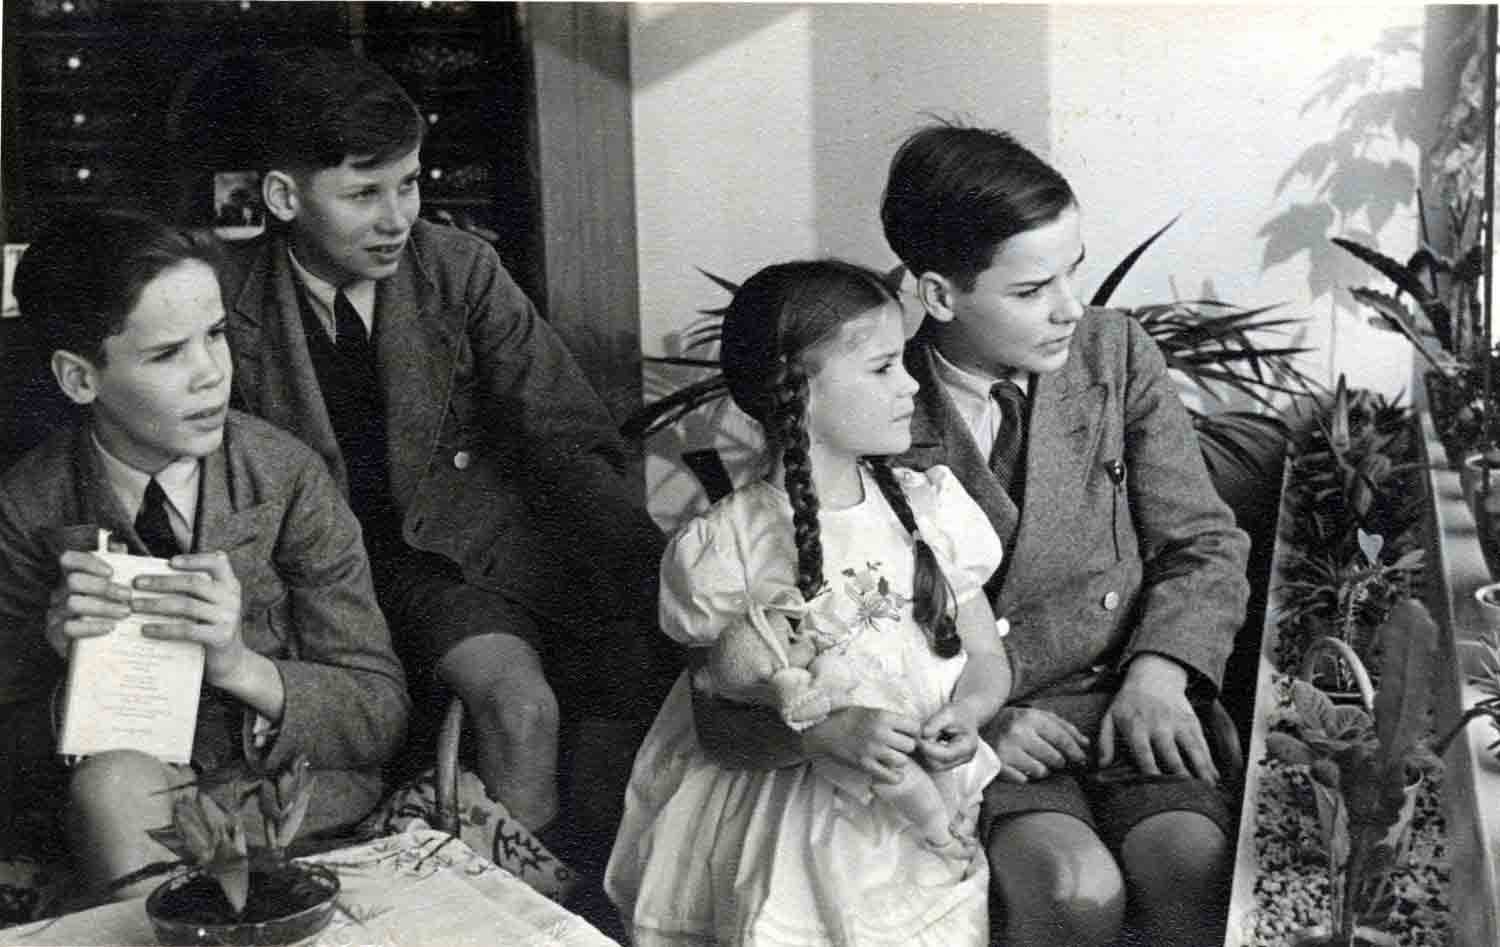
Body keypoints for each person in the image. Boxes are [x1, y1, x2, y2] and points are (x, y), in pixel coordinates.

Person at [212, 47, 673, 843]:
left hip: (462, 557)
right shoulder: (222, 302)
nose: (397, 218)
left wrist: (663, 582)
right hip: (315, 579)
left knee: (556, 701)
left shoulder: (459, 269)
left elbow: (566, 438)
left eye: (409, 183)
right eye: (364, 194)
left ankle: (538, 893)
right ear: (284, 197)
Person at [880, 122, 1252, 947]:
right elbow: (860, 622)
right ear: (939, 296)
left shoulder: (1113, 354)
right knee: (1071, 888)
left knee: (1192, 865)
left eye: (1073, 271)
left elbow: (1204, 542)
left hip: (1131, 695)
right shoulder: (877, 399)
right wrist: (979, 720)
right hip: (989, 721)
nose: (1068, 308)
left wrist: (1160, 671)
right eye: (1030, 290)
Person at [0, 210, 410, 898]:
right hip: (129, 819)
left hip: (290, 816)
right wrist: (63, 669)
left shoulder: (287, 477)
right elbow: (12, 757)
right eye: (167, 355)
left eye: (215, 335)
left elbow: (380, 713)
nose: (212, 374)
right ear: (79, 378)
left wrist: (240, 666)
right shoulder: (28, 504)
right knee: (111, 784)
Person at [606, 260, 1014, 945]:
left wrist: (968, 712)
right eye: (883, 367)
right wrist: (818, 735)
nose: (912, 384)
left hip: (914, 814)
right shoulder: (727, 546)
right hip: (786, 828)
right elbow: (718, 726)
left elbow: (986, 656)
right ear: (796, 390)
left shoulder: (931, 508)